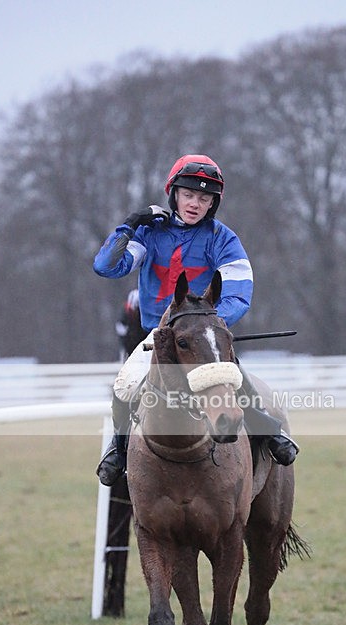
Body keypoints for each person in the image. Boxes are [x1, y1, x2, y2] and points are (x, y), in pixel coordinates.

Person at [93, 154, 298, 485]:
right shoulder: (149, 234)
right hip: (158, 336)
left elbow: (239, 294)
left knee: (232, 377)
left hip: (204, 335)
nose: (194, 203)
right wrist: (131, 223)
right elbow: (106, 267)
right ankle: (117, 448)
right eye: (188, 195)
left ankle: (266, 429)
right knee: (124, 385)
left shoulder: (222, 238)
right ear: (173, 194)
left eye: (204, 198)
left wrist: (205, 324)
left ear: (213, 203)